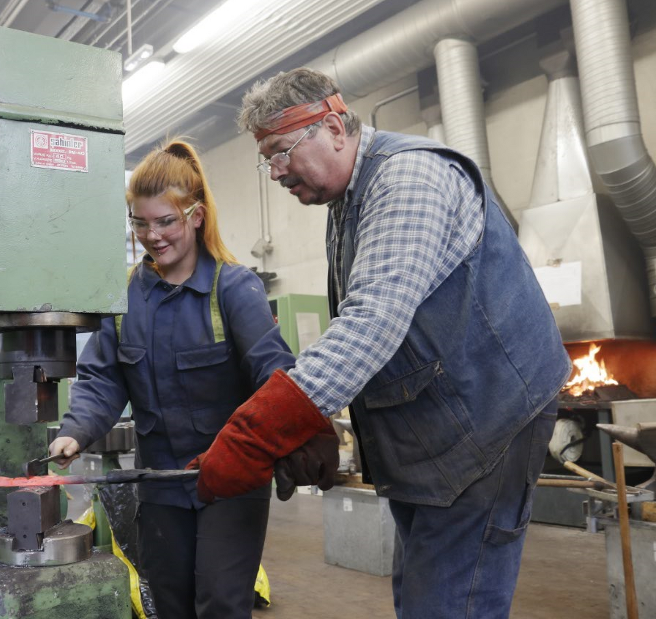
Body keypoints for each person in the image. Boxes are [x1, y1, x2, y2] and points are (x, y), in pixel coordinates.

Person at [187, 68, 572, 619]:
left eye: (281, 151)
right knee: (421, 592)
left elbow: (372, 322)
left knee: (449, 603)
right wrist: (313, 423)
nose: (274, 172)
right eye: (265, 158)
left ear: (335, 127)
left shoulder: (406, 179)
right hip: (438, 429)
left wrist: (257, 434)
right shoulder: (346, 200)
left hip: (489, 421)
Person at [49, 139, 311, 619]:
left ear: (196, 215)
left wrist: (292, 434)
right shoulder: (124, 298)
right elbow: (102, 380)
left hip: (231, 482)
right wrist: (75, 431)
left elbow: (271, 371)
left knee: (220, 603)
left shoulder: (233, 288)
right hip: (160, 485)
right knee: (168, 604)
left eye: (166, 221)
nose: (153, 235)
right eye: (141, 223)